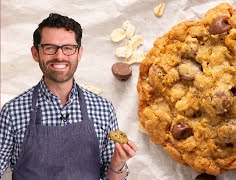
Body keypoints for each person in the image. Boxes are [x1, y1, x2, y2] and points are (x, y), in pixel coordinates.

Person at [0, 13, 137, 180]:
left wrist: (118, 163)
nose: (59, 56)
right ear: (36, 53)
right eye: (49, 48)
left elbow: (113, 178)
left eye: (68, 48)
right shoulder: (12, 112)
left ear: (79, 53)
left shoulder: (103, 109)